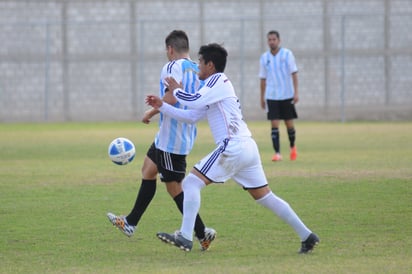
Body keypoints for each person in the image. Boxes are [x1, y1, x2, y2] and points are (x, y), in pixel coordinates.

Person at [146, 43, 319, 253]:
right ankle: (307, 236)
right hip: (247, 147)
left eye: (200, 62)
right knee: (265, 197)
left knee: (191, 183)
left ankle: (184, 236)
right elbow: (191, 116)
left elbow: (191, 101)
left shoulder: (218, 81)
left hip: (233, 146)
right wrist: (162, 106)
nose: (197, 66)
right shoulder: (211, 86)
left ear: (210, 65)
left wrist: (176, 90)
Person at [107, 30, 216, 251]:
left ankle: (202, 233)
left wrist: (150, 112)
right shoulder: (197, 68)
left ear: (170, 49)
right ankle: (131, 222)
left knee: (174, 188)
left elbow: (172, 97)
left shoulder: (171, 66)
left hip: (171, 138)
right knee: (148, 169)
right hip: (179, 134)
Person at [259, 30, 299, 162]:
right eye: (269, 39)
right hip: (272, 96)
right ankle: (277, 153)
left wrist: (296, 92)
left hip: (287, 95)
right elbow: (263, 79)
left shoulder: (287, 54)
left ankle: (292, 146)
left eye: (274, 39)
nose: (271, 42)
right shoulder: (264, 58)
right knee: (274, 124)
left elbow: (294, 73)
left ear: (279, 40)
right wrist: (262, 97)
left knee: (289, 125)